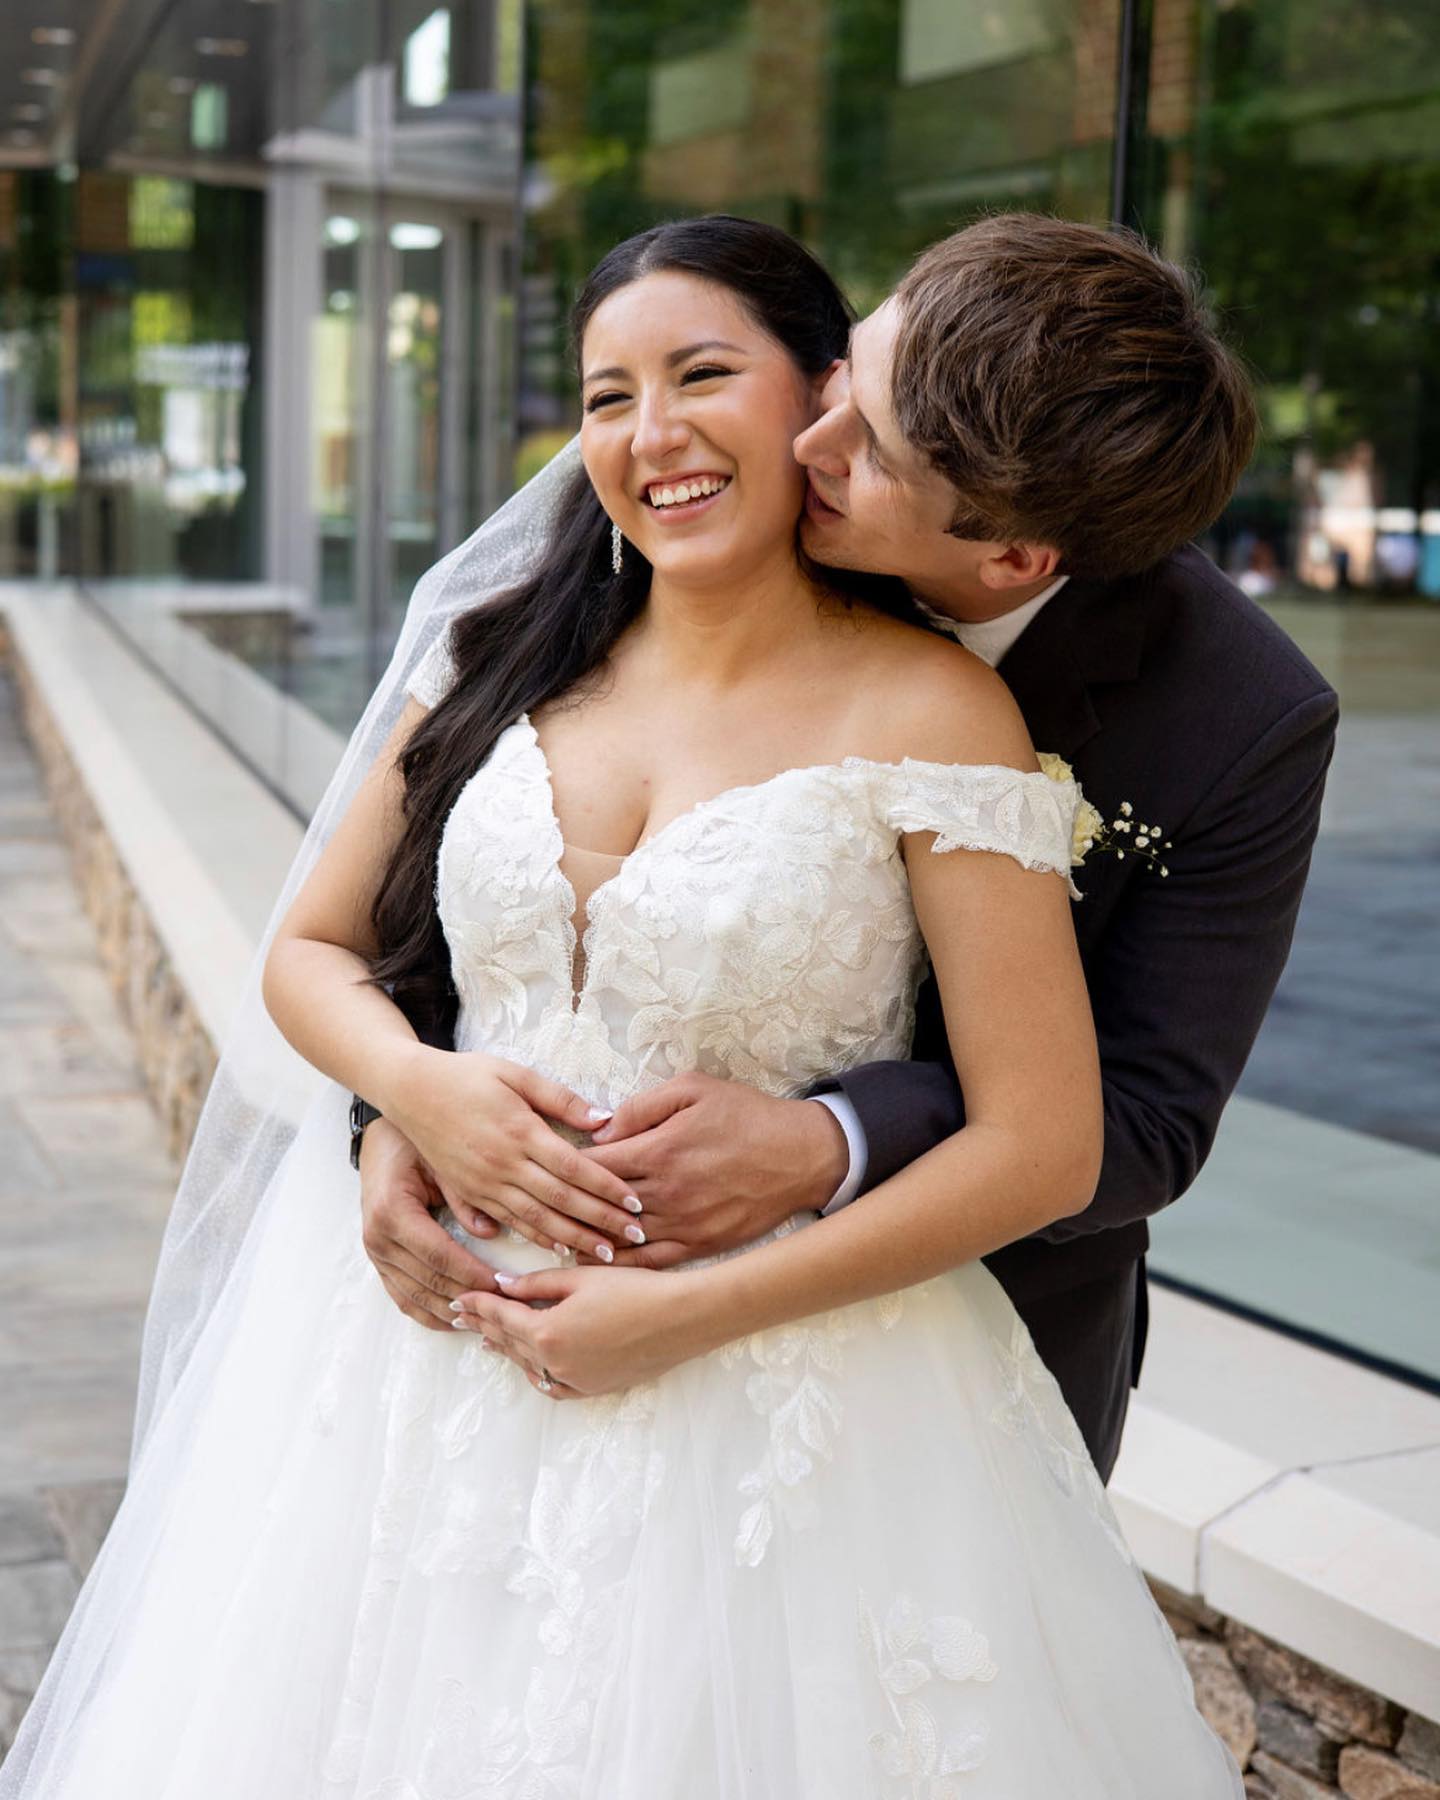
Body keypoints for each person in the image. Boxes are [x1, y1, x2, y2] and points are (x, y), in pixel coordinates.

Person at [0, 217, 1242, 1797]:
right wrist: (415, 1095)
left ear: (813, 400)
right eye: (605, 395)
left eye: (702, 374)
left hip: (778, 1406)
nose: (651, 433)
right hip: (406, 1357)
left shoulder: (942, 711)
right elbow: (308, 950)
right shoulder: (497, 665)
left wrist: (679, 1314)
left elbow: (1055, 1141)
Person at [361, 214, 1337, 1480]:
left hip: (932, 1377)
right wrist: (405, 1104)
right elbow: (494, 876)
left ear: (1012, 555)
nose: (808, 442)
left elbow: (1140, 1119)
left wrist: (829, 1142)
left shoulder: (1238, 720)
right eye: (842, 374)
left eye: (864, 448)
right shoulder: (721, 530)